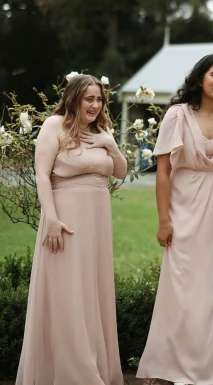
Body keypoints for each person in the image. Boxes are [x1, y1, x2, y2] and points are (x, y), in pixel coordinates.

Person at [137, 54, 213, 385]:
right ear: (200, 79)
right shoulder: (177, 114)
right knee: (180, 288)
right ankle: (168, 365)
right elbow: (163, 170)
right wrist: (163, 219)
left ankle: (204, 367)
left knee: (212, 287)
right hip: (182, 206)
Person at [16, 74, 127, 385]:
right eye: (88, 98)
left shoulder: (102, 130)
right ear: (73, 98)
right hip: (66, 218)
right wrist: (50, 217)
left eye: (99, 99)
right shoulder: (55, 126)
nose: (94, 104)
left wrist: (111, 144)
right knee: (67, 291)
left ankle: (95, 364)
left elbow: (120, 172)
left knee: (93, 291)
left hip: (97, 221)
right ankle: (71, 372)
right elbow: (41, 175)